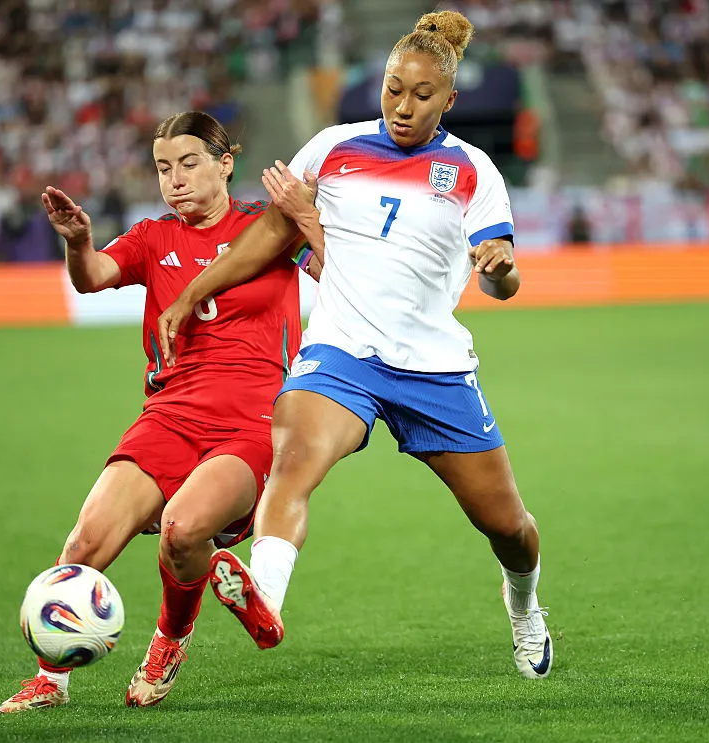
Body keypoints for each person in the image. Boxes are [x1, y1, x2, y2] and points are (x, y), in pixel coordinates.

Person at [158, 11, 553, 680]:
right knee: (293, 458)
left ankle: (525, 605)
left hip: (434, 368)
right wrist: (196, 289)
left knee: (508, 526)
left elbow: (507, 280)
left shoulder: (472, 170)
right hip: (343, 353)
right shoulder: (334, 146)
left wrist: (500, 265)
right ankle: (266, 599)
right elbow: (270, 236)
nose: (403, 105)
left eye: (422, 94)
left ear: (449, 100)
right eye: (394, 88)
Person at [0, 111, 322, 714]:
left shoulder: (268, 227)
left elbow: (333, 268)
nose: (174, 180)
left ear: (226, 164)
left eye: (190, 163)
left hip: (251, 419)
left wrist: (311, 225)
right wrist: (78, 243)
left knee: (181, 530)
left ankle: (169, 642)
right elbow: (93, 278)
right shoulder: (152, 238)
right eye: (163, 168)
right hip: (169, 415)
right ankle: (50, 681)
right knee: (83, 544)